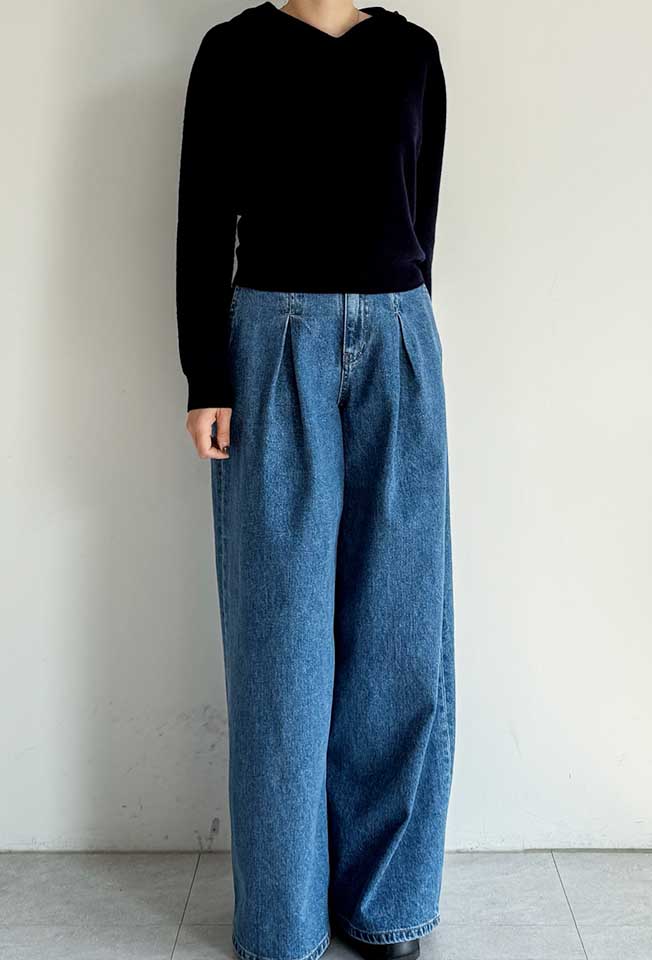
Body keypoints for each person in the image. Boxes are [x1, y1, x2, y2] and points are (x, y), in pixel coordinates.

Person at [175, 3, 455, 960]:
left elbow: (421, 214)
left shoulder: (414, 54)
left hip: (400, 340)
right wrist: (205, 377)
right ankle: (282, 921)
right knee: (280, 636)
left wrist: (406, 335)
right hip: (271, 343)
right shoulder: (232, 53)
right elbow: (203, 219)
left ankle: (386, 903)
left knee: (401, 628)